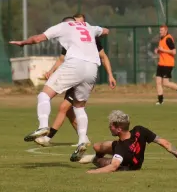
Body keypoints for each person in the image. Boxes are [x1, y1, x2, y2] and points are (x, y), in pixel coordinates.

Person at [9, 17, 109, 161]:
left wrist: (23, 43)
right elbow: (105, 31)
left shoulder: (63, 26)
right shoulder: (88, 26)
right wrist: (100, 33)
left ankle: (43, 126)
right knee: (79, 107)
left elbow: (37, 39)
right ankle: (82, 140)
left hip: (75, 64)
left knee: (44, 95)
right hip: (92, 68)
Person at [35, 13, 117, 148]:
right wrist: (51, 71)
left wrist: (110, 75)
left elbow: (103, 56)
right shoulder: (71, 37)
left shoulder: (91, 39)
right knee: (69, 110)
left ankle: (48, 137)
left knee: (65, 108)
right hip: (74, 73)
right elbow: (62, 58)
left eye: (80, 22)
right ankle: (82, 138)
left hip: (83, 75)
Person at [79, 110, 177, 173]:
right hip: (133, 158)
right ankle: (94, 155)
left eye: (111, 126)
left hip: (128, 165)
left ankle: (94, 159)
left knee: (102, 162)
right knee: (96, 146)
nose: (109, 127)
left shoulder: (121, 147)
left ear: (119, 129)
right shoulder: (140, 130)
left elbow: (113, 167)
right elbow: (165, 143)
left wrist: (92, 172)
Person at [154, 24, 177, 105]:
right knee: (158, 82)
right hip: (161, 63)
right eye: (160, 30)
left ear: (166, 30)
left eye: (161, 31)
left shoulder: (168, 39)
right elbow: (162, 50)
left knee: (165, 83)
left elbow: (174, 52)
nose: (160, 32)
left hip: (168, 64)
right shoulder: (161, 39)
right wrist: (158, 50)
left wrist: (163, 50)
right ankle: (160, 100)